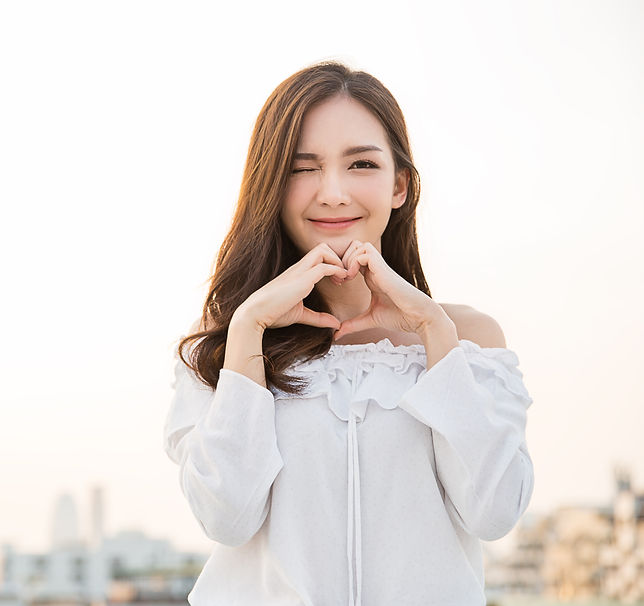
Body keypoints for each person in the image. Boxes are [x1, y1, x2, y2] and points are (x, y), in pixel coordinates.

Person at [162, 60, 535, 606]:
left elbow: (494, 511)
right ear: (270, 185)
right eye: (301, 168)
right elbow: (226, 517)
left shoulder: (468, 335)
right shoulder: (226, 338)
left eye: (361, 163)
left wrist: (434, 331)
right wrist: (247, 333)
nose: (333, 193)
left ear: (400, 185)